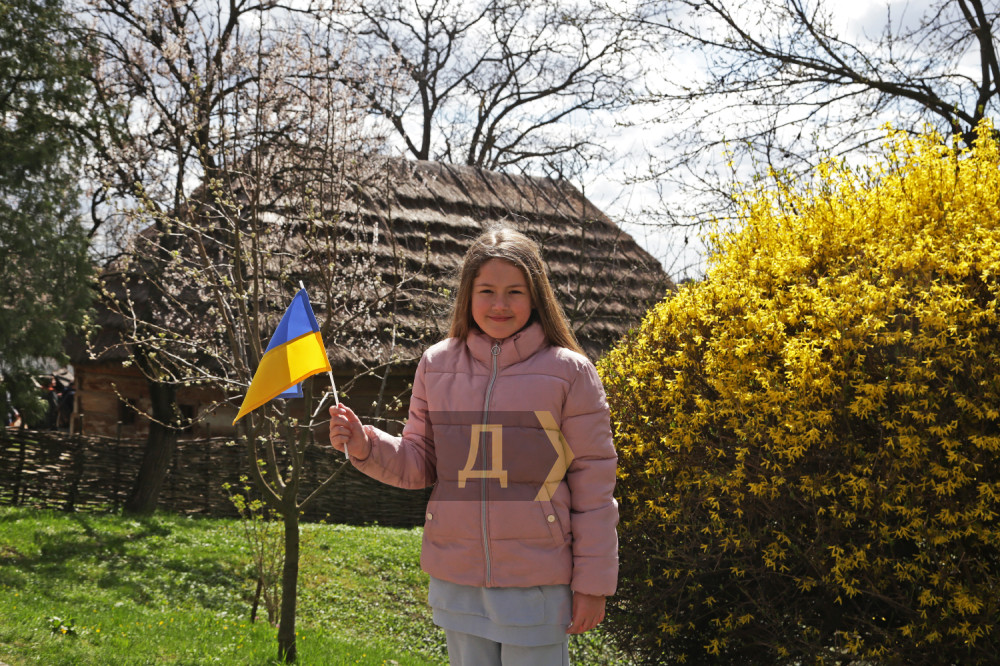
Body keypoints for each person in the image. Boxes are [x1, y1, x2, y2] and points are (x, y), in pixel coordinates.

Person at [329, 226, 618, 665]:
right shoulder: (436, 364)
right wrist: (365, 444)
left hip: (537, 582)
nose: (500, 305)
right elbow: (419, 461)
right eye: (487, 291)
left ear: (536, 296)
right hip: (458, 579)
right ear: (468, 294)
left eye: (514, 292)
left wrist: (593, 584)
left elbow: (593, 486)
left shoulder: (570, 373)